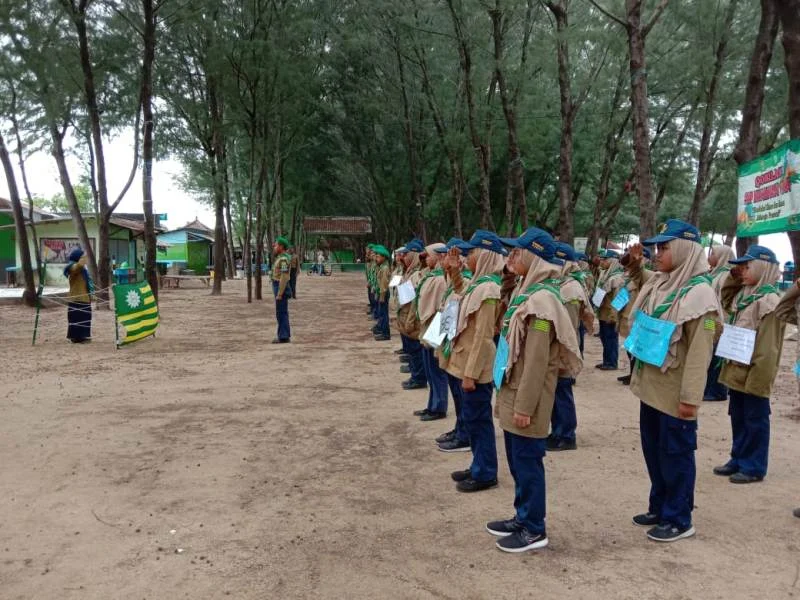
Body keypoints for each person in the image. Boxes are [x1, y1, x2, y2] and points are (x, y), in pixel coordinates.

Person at [487, 227, 582, 552]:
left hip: (529, 397)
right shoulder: (527, 292)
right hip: (513, 388)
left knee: (528, 462)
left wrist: (525, 407)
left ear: (535, 257)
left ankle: (533, 528)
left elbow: (538, 361)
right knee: (517, 459)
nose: (511, 256)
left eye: (518, 252)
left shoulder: (542, 303)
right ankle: (522, 514)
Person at [629, 219, 721, 543]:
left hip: (675, 393)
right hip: (652, 387)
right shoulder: (661, 284)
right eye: (658, 247)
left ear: (683, 249)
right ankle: (660, 506)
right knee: (653, 451)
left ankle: (679, 518)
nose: (657, 253)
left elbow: (699, 354)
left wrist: (690, 399)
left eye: (664, 247)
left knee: (676, 454)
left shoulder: (701, 296)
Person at [714, 245, 785, 484]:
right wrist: (733, 278)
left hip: (754, 371)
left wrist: (759, 380)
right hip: (736, 365)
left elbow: (768, 348)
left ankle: (754, 466)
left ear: (763, 268)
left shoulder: (770, 301)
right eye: (741, 267)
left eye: (747, 267)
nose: (742, 271)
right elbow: (725, 299)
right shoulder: (745, 293)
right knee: (738, 415)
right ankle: (738, 457)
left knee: (755, 418)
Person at [442, 230, 506, 493]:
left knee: (479, 419)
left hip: (476, 367)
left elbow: (482, 336)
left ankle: (485, 472)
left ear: (486, 255)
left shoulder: (489, 288)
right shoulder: (479, 284)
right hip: (468, 362)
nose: (467, 257)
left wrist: (470, 373)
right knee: (472, 417)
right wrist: (454, 271)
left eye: (473, 253)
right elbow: (460, 292)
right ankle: (478, 463)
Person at [548, 241, 592, 451]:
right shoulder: (561, 283)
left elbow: (571, 325)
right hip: (555, 347)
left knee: (562, 392)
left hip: (563, 348)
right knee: (555, 391)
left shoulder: (572, 289)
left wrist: (565, 355)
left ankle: (566, 434)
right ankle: (557, 431)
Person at [434, 239, 472, 453]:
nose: (443, 259)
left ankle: (464, 433)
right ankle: (459, 428)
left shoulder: (467, 281)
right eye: (441, 255)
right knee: (456, 393)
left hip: (460, 344)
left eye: (447, 256)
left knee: (461, 393)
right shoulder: (452, 279)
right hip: (449, 340)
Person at [413, 243, 449, 421]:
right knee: (429, 370)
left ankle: (439, 406)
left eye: (428, 255)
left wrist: (438, 333)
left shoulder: (441, 279)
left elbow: (442, 308)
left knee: (436, 371)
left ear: (438, 256)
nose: (425, 259)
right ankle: (431, 404)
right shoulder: (430, 275)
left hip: (436, 326)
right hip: (427, 326)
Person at [616, 245, 654, 386]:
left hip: (638, 319)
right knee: (629, 348)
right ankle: (632, 373)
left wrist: (637, 262)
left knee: (636, 350)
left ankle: (635, 375)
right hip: (627, 316)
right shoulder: (628, 277)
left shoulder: (648, 276)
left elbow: (638, 272)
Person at [704, 244, 737, 401]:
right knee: (710, 351)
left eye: (713, 254)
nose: (710, 257)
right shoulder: (713, 274)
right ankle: (710, 388)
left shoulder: (725, 276)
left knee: (717, 356)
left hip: (722, 322)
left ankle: (718, 391)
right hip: (712, 320)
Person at [396, 239, 428, 390]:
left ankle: (418, 378)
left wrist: (409, 320)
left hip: (412, 317)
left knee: (416, 350)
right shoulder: (408, 271)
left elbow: (411, 301)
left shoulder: (416, 274)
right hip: (405, 315)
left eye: (407, 254)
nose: (404, 256)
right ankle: (415, 375)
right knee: (412, 349)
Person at [595, 249, 625, 370]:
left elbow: (619, 299)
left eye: (605, 259)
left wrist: (614, 315)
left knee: (611, 338)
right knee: (604, 337)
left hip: (610, 314)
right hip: (603, 313)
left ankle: (612, 362)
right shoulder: (606, 274)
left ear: (612, 261)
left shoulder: (617, 278)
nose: (602, 261)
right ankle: (606, 361)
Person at [65, 247, 93, 343]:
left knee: (85, 317)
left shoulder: (82, 270)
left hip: (84, 298)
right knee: (77, 318)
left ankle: (83, 337)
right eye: (82, 257)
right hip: (76, 298)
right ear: (77, 257)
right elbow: (79, 265)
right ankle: (75, 338)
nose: (85, 259)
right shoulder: (72, 267)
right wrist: (84, 257)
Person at [271, 236, 293, 343]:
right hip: (278, 285)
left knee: (281, 312)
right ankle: (284, 335)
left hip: (280, 287)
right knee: (281, 312)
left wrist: (280, 293)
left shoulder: (283, 259)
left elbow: (284, 276)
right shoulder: (281, 258)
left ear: (281, 246)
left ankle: (283, 336)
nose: (274, 247)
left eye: (276, 245)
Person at [372, 245, 393, 341]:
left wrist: (382, 296)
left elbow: (384, 284)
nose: (376, 258)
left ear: (384, 257)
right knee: (381, 313)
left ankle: (385, 334)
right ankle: (382, 330)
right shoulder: (381, 267)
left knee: (384, 314)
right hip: (381, 293)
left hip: (383, 293)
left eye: (378, 256)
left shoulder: (385, 268)